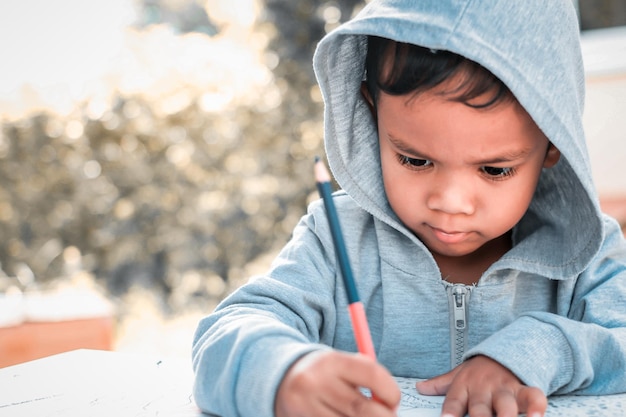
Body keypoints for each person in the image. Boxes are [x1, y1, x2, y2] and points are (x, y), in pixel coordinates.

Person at [192, 1, 626, 416]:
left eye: (494, 169)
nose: (450, 203)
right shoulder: (335, 238)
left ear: (553, 145)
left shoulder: (588, 257)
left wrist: (536, 350)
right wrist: (285, 374)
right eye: (416, 160)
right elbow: (225, 334)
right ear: (371, 112)